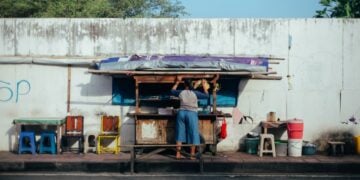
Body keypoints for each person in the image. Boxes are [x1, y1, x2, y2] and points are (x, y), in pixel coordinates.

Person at [171, 76, 209, 159]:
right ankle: (192, 155)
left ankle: (178, 154)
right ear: (191, 84)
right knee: (193, 133)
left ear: (184, 84)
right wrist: (203, 85)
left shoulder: (181, 92)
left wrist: (177, 82)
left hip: (181, 113)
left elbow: (172, 91)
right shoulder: (195, 93)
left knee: (180, 133)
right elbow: (206, 96)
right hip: (191, 114)